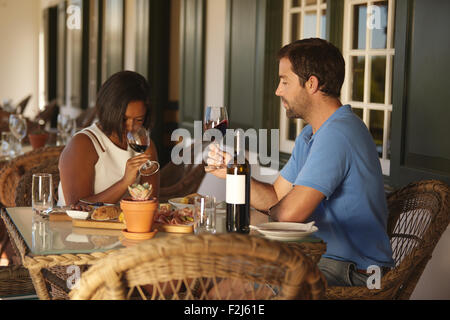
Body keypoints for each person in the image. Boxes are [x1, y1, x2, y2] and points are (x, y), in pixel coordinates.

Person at [206, 38, 394, 287]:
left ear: (312, 84)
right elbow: (276, 195)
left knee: (235, 285)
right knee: (222, 274)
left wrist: (256, 215)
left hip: (356, 271)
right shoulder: (311, 135)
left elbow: (288, 214)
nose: (277, 90)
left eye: (284, 81)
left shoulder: (339, 133)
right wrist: (234, 175)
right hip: (321, 259)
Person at [58, 71, 160, 206]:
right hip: (76, 226)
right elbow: (76, 207)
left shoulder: (144, 145)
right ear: (108, 111)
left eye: (139, 119)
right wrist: (125, 182)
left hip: (124, 226)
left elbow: (150, 203)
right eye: (124, 119)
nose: (130, 126)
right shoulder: (83, 144)